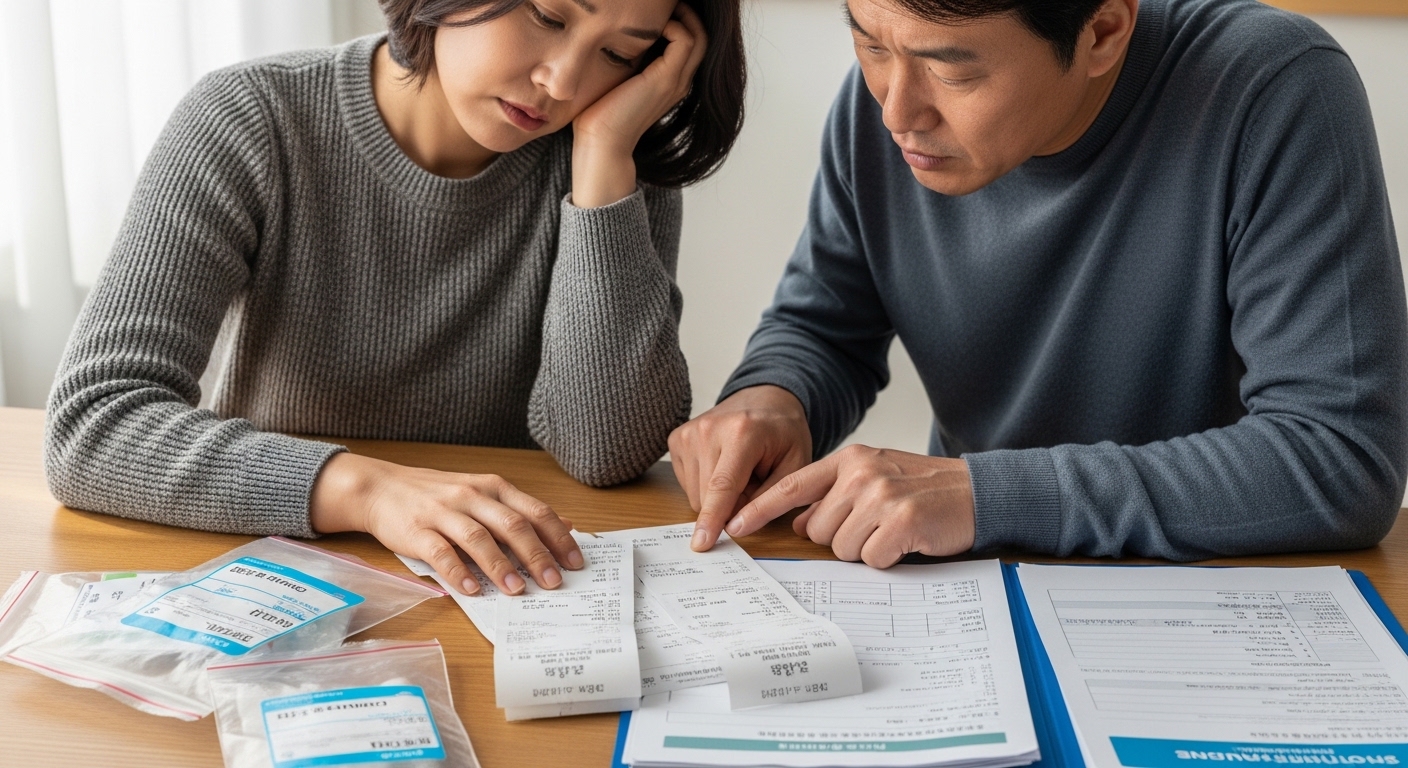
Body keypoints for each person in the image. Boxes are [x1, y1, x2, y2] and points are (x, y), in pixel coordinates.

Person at [43, 0, 744, 596]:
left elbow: (607, 449)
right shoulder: (254, 118)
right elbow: (94, 425)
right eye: (548, 15)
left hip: (500, 588)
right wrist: (370, 492)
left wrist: (600, 166)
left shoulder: (613, 158)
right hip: (279, 576)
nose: (562, 82)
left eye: (622, 53)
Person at [671, 0, 1407, 565]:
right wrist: (773, 400)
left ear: (1103, 31)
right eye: (867, 41)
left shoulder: (1272, 89)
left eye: (953, 70)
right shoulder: (880, 113)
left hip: (1215, 602)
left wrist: (988, 496)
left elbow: (1339, 457)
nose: (897, 109)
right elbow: (825, 330)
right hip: (974, 588)